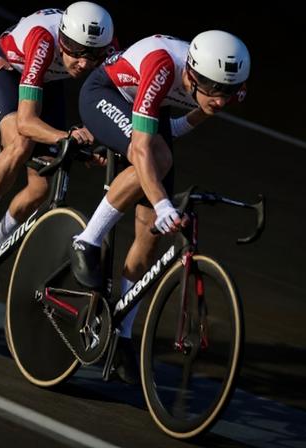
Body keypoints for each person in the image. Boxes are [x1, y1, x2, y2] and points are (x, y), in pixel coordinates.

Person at [72, 30, 250, 383]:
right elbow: (141, 149)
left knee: (150, 233)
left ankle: (123, 337)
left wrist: (160, 206)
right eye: (214, 90)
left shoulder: (229, 85)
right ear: (193, 75)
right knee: (155, 159)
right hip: (104, 93)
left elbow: (176, 126)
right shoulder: (163, 65)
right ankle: (86, 240)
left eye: (228, 92)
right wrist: (163, 201)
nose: (221, 100)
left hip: (147, 108)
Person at [0, 2, 116, 295]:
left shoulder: (108, 47)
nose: (84, 63)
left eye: (92, 56)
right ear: (62, 39)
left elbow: (112, 103)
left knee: (40, 189)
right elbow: (27, 121)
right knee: (20, 142)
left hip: (47, 81)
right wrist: (67, 136)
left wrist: (96, 135)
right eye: (76, 52)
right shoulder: (43, 40)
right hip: (8, 69)